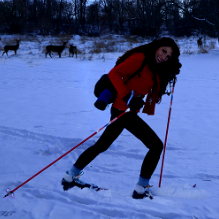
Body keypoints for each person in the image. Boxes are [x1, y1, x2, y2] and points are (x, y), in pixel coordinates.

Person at [61, 37, 181, 199]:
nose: (164, 56)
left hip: (125, 111)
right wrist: (127, 96)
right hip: (123, 110)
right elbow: (114, 73)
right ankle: (141, 189)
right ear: (157, 47)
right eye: (164, 51)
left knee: (101, 145)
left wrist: (169, 72)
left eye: (169, 56)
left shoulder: (154, 66)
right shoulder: (140, 58)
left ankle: (70, 177)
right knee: (156, 146)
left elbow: (149, 85)